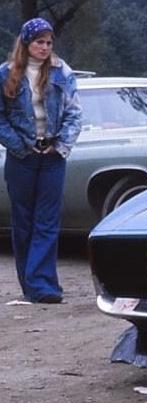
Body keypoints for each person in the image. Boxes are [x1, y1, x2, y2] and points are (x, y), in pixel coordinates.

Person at [0, 17, 81, 304]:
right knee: (23, 221)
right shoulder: (6, 73)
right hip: (21, 155)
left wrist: (61, 145)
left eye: (48, 42)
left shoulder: (62, 72)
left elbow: (74, 113)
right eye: (39, 42)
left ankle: (44, 285)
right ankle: (30, 283)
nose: (44, 47)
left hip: (53, 155)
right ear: (26, 43)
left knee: (47, 221)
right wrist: (19, 145)